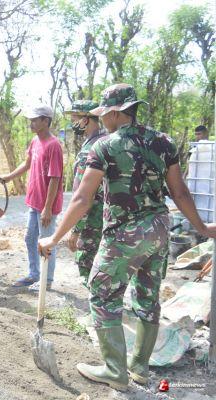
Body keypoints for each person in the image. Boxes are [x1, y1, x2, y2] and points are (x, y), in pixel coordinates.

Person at [38, 84, 216, 391]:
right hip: (159, 230)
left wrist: (54, 238)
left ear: (116, 113)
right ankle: (139, 369)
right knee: (148, 296)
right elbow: (180, 192)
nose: (102, 120)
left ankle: (114, 370)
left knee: (101, 292)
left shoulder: (105, 146)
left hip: (125, 234)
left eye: (104, 114)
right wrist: (201, 227)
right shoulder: (163, 142)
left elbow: (82, 199)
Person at [0, 104, 64, 291]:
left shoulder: (53, 146)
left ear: (46, 121)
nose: (31, 123)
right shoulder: (35, 141)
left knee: (46, 242)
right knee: (30, 238)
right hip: (34, 202)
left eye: (35, 120)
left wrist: (47, 208)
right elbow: (27, 163)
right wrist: (9, 177)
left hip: (46, 206)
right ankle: (34, 274)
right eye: (31, 120)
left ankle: (47, 281)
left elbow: (55, 178)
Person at [64, 100, 106, 288]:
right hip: (107, 219)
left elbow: (83, 196)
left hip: (92, 222)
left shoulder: (90, 150)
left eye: (75, 119)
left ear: (86, 120)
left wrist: (75, 229)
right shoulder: (105, 141)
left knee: (89, 271)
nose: (73, 124)